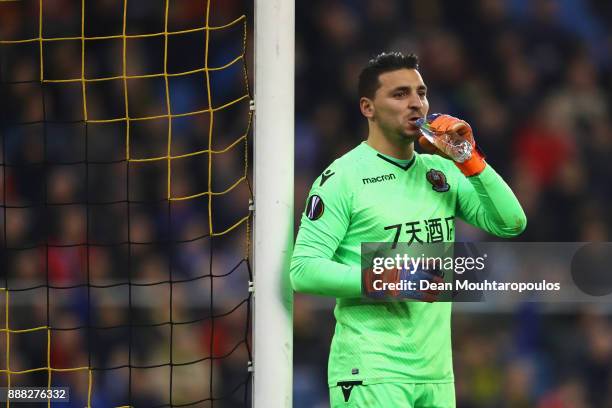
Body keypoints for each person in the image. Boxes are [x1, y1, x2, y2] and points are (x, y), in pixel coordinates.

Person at [290, 52, 527, 407]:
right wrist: (387, 278)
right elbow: (303, 270)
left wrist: (468, 157)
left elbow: (510, 223)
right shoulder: (342, 179)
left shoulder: (442, 172)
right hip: (371, 368)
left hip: (436, 373)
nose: (416, 103)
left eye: (421, 92)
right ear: (367, 107)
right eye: (400, 94)